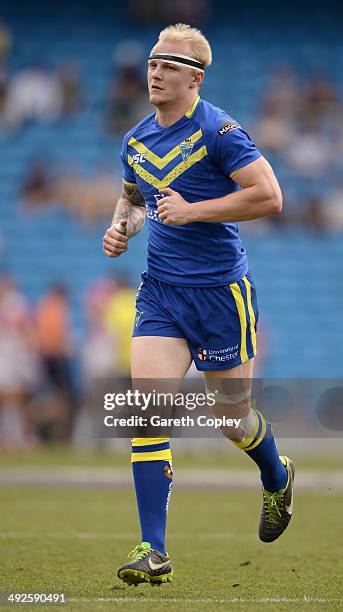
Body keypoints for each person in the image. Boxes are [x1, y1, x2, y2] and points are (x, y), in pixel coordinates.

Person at [103, 23, 294, 587]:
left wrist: (195, 212)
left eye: (168, 64)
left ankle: (277, 474)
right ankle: (152, 549)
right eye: (152, 61)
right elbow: (133, 199)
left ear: (195, 77)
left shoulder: (221, 131)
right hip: (161, 292)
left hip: (219, 295)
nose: (155, 71)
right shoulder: (137, 138)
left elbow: (271, 196)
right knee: (148, 412)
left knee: (231, 420)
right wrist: (121, 227)